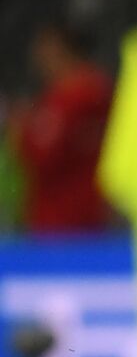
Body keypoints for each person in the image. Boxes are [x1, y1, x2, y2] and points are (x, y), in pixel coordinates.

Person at [9, 22, 112, 232]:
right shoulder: (99, 89)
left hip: (60, 220)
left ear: (60, 48)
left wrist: (22, 130)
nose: (37, 56)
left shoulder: (70, 98)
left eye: (43, 47)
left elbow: (42, 155)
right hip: (89, 213)